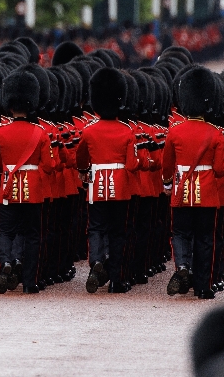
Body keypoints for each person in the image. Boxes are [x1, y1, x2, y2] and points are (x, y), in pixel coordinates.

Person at [0, 68, 56, 294]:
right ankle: (28, 283)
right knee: (32, 235)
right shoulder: (40, 132)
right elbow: (48, 166)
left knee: (6, 231)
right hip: (33, 189)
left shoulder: (0, 131)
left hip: (7, 188)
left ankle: (5, 262)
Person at [162, 66, 224, 300]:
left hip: (181, 191)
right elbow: (221, 170)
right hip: (207, 194)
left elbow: (167, 166)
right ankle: (203, 287)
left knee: (180, 233)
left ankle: (182, 268)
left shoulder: (175, 132)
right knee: (204, 239)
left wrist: (168, 184)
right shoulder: (215, 134)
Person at [76, 67, 142, 294]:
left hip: (96, 184)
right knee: (117, 232)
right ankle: (116, 280)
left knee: (95, 227)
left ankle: (96, 263)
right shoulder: (127, 131)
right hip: (120, 186)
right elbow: (132, 165)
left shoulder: (89, 131)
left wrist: (84, 171)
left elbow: (81, 159)